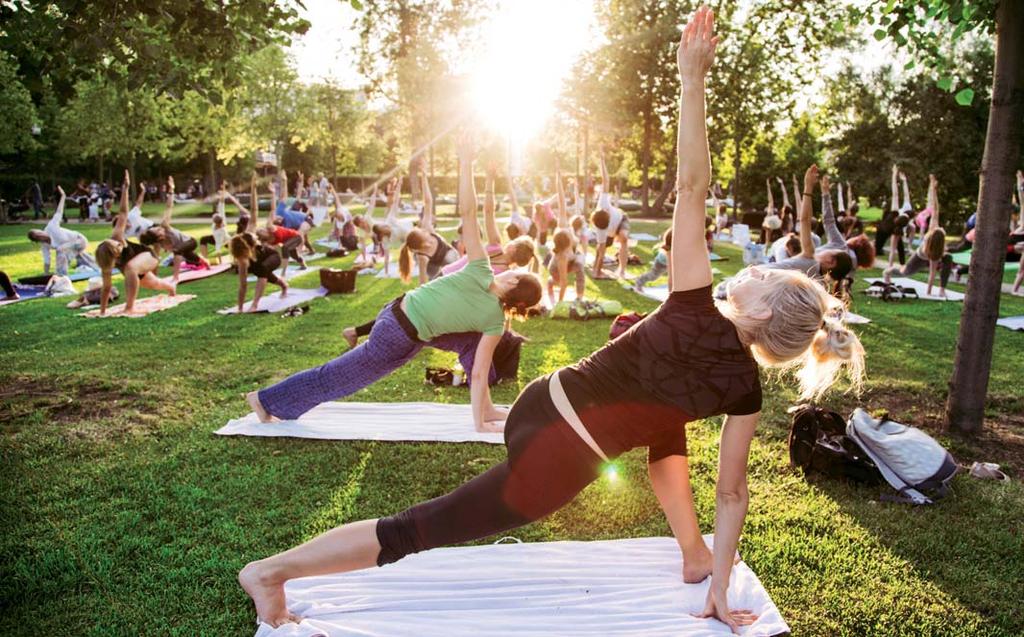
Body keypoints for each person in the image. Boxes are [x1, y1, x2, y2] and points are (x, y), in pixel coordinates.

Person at [238, 11, 865, 632]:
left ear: (757, 310)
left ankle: (692, 555)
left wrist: (691, 81)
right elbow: (732, 496)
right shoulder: (742, 387)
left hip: (544, 401)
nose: (751, 271)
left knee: (665, 421)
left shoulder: (693, 302)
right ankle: (270, 573)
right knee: (419, 529)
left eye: (762, 277)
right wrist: (722, 590)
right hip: (561, 459)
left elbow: (691, 189)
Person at [250, 130, 541, 426]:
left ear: (515, 283)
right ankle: (265, 399)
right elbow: (471, 213)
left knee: (469, 342)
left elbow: (468, 214)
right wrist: (465, 164)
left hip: (404, 323)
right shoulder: (492, 314)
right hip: (397, 332)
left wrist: (465, 163)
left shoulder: (483, 281)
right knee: (341, 377)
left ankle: (486, 409)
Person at [94, 171, 176, 316]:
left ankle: (129, 307)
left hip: (148, 256)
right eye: (118, 248)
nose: (120, 245)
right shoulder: (106, 266)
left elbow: (123, 212)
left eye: (118, 244)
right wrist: (102, 312)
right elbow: (107, 288)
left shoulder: (117, 236)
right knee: (154, 284)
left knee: (130, 268)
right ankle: (171, 287)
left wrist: (125, 188)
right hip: (135, 269)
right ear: (111, 257)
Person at [884, 174, 953, 298]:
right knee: (904, 272)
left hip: (928, 255)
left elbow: (936, 210)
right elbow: (935, 209)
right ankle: (887, 271)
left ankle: (942, 289)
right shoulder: (934, 236)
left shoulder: (934, 239)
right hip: (918, 258)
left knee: (948, 258)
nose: (942, 228)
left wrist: (933, 188)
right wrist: (933, 188)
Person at [140, 177, 207, 283]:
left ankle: (175, 277)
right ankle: (205, 262)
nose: (159, 228)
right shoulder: (159, 245)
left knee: (177, 251)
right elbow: (156, 258)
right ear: (159, 237)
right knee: (194, 260)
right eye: (157, 230)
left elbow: (169, 207)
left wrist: (171, 190)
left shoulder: (164, 226)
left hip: (190, 242)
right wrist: (154, 276)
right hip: (183, 250)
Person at [398, 166, 458, 284]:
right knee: (433, 283)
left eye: (423, 231)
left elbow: (428, 202)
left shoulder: (426, 227)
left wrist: (424, 177)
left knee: (451, 258)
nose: (426, 232)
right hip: (433, 265)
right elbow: (422, 282)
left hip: (448, 254)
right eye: (424, 235)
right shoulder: (422, 257)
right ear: (422, 245)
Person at [27, 186, 99, 276]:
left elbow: (59, 211)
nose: (41, 235)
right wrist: (46, 273)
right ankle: (101, 264)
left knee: (60, 249)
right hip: (70, 248)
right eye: (37, 236)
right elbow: (47, 260)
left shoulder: (51, 226)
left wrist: (63, 196)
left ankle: (62, 275)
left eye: (39, 232)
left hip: (80, 240)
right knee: (86, 260)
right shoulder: (44, 245)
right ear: (37, 240)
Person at [545, 163, 587, 304]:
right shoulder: (562, 256)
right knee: (556, 282)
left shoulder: (564, 226)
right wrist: (560, 304)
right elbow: (564, 283)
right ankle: (550, 283)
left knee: (580, 267)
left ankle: (580, 296)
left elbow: (562, 202)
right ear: (567, 244)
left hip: (571, 259)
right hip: (557, 269)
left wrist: (559, 177)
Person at [590, 151, 632, 279]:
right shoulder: (600, 231)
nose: (608, 211)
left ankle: (622, 270)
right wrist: (598, 272)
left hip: (621, 219)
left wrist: (602, 161)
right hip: (609, 233)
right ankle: (596, 268)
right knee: (601, 249)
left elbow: (606, 180)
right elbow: (602, 250)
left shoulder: (602, 203)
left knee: (623, 238)